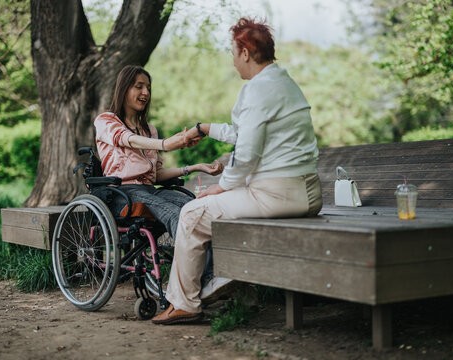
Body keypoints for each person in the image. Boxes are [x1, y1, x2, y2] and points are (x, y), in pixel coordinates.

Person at [152, 17, 323, 325]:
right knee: (206, 209)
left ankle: (184, 303)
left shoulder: (259, 90)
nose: (232, 62)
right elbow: (243, 134)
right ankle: (219, 281)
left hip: (278, 195)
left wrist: (222, 186)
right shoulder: (282, 82)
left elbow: (245, 154)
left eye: (233, 53)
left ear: (245, 52)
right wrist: (204, 128)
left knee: (192, 212)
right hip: (306, 192)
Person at [94, 65, 224, 240]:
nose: (146, 92)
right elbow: (127, 138)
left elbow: (156, 175)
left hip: (150, 190)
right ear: (124, 89)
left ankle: (211, 263)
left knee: (197, 208)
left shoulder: (149, 130)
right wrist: (166, 144)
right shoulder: (106, 121)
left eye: (148, 88)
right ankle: (193, 266)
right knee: (175, 214)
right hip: (122, 194)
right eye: (139, 86)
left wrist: (196, 167)